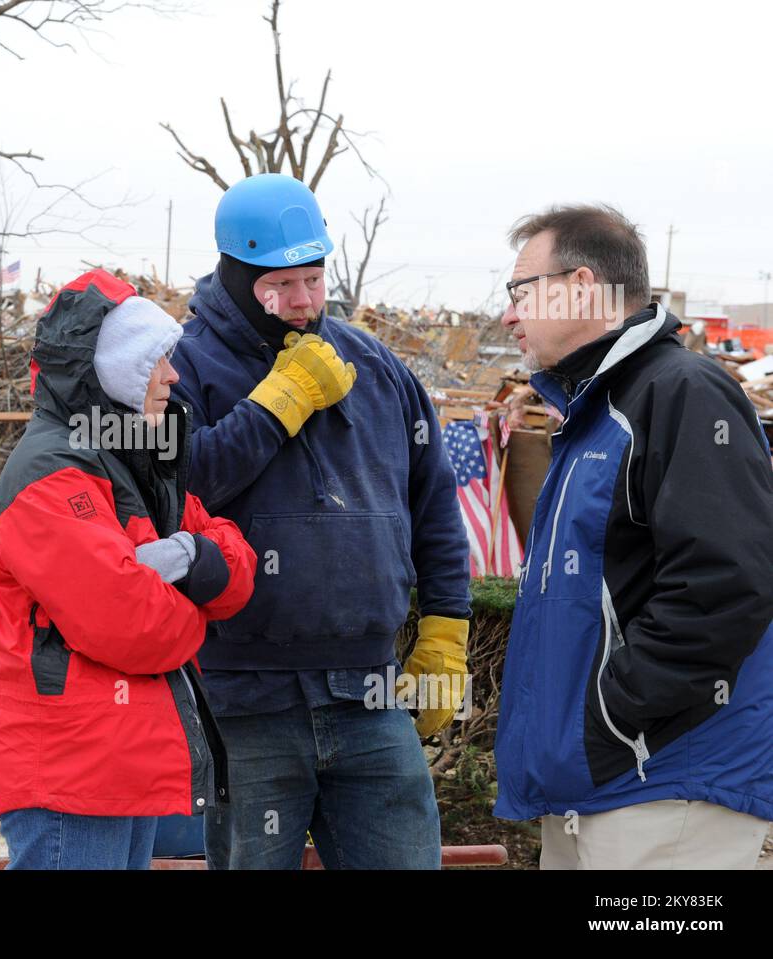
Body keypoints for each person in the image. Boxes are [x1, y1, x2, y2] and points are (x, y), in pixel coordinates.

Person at [169, 173, 472, 869]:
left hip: (370, 693)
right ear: (238, 275)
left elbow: (433, 506)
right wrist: (278, 404)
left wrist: (447, 628)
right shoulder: (184, 367)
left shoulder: (375, 365)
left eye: (313, 278)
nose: (303, 301)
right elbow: (177, 490)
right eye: (282, 285)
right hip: (244, 700)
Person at [493, 203, 773, 869]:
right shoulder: (593, 412)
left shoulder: (679, 392)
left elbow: (729, 583)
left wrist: (612, 722)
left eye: (519, 290)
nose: (508, 315)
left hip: (666, 789)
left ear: (581, 285)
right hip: (598, 785)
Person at [0, 269, 257, 870]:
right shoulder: (50, 475)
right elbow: (136, 625)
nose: (173, 377)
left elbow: (238, 565)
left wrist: (187, 558)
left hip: (118, 764)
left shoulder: (135, 463)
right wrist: (195, 609)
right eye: (157, 360)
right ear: (113, 369)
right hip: (67, 771)